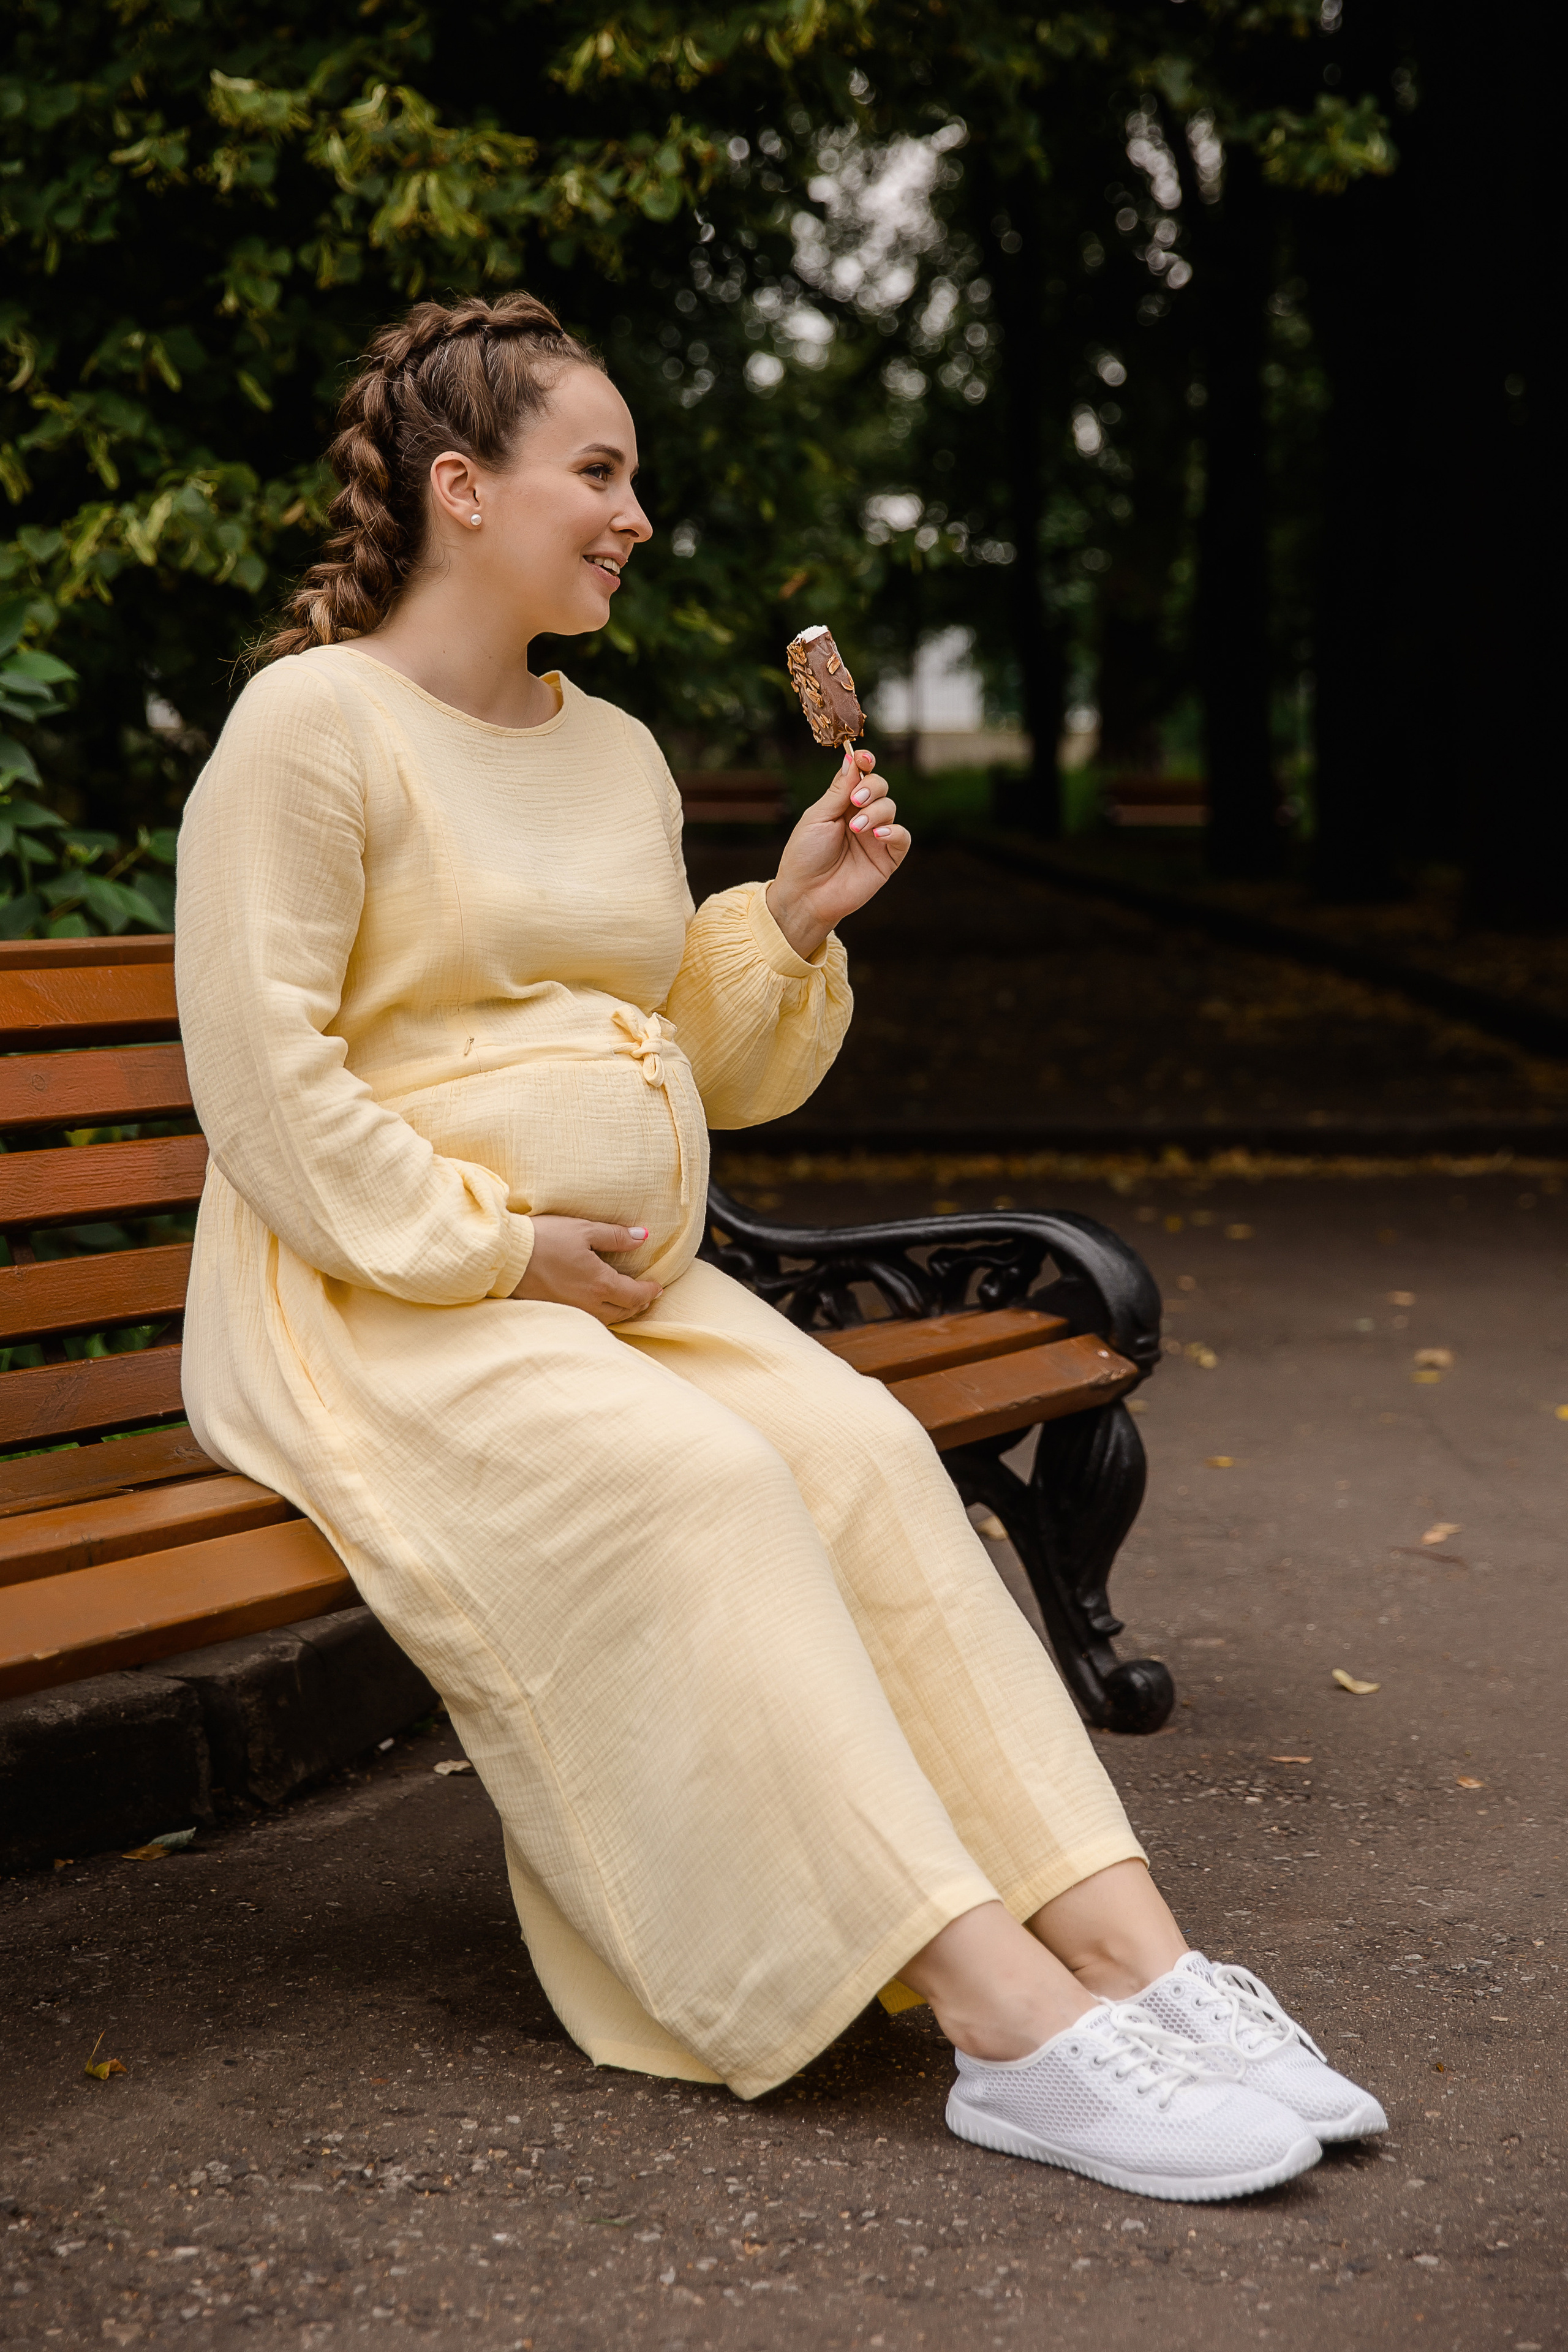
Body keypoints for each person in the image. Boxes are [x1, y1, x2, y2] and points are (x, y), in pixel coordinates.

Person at [175, 291, 1385, 2203]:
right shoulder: (307, 730)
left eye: (634, 475)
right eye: (601, 472)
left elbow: (685, 1051)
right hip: (374, 1296)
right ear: (462, 490)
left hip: (619, 1287)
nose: (635, 512)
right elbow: (265, 1081)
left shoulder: (618, 749)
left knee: (863, 1455)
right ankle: (999, 2018)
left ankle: (1139, 1964)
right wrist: (496, 1248)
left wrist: (797, 919)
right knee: (705, 1483)